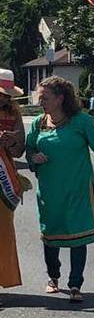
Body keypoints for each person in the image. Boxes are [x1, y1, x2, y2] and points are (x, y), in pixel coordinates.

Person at [25, 76, 94, 302]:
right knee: (51, 233)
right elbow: (30, 151)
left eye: (45, 97)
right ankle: (53, 277)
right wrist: (34, 157)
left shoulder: (81, 121)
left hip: (78, 188)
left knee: (78, 233)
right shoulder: (38, 124)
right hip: (49, 191)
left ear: (60, 99)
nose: (40, 101)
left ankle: (75, 284)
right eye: (40, 97)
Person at [0, 69, 27, 291]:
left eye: (7, 95)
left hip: (4, 177)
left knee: (3, 232)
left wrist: (10, 142)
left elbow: (19, 151)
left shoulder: (14, 114)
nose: (4, 99)